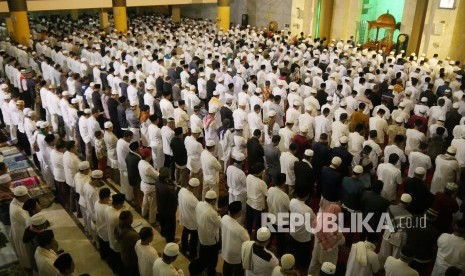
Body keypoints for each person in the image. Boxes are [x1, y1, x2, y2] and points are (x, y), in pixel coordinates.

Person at [288, 187, 316, 274]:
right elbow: (314, 221)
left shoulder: (292, 201)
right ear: (307, 196)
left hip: (292, 233)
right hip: (303, 238)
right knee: (303, 258)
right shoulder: (308, 210)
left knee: (292, 252)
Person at [196, 190, 221, 276]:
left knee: (203, 252)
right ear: (213, 200)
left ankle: (203, 268)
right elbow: (219, 223)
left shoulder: (199, 204)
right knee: (213, 257)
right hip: (211, 239)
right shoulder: (212, 213)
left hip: (201, 234)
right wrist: (219, 216)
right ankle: (211, 272)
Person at [221, 201, 250, 276]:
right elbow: (247, 241)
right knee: (238, 271)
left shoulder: (224, 217)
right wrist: (246, 232)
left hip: (225, 249)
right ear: (239, 212)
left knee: (226, 268)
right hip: (235, 255)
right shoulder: (240, 229)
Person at [10, 185, 31, 269]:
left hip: (19, 229)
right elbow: (28, 222)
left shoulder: (14, 201)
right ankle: (28, 266)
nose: (27, 197)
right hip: (21, 232)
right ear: (22, 197)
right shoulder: (17, 210)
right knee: (25, 252)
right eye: (26, 196)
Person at [178, 178, 200, 259]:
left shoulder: (182, 190)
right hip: (192, 221)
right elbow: (199, 209)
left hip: (184, 217)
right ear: (196, 187)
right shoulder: (192, 199)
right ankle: (192, 254)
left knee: (185, 233)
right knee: (194, 239)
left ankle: (184, 247)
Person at [104, 193, 126, 273]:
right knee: (118, 259)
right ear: (119, 204)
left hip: (110, 237)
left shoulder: (107, 209)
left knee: (113, 255)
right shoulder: (117, 216)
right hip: (117, 240)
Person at [156, 167, 178, 243]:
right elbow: (175, 195)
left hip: (161, 207)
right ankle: (170, 239)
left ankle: (163, 233)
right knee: (170, 225)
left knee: (163, 223)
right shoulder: (167, 189)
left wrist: (171, 183)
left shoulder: (158, 180)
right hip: (169, 209)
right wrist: (175, 188)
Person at [138, 148, 159, 225]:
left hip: (144, 184)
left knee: (145, 199)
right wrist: (158, 171)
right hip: (150, 187)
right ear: (148, 156)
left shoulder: (140, 162)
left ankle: (143, 213)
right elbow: (157, 176)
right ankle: (152, 220)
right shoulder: (148, 167)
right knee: (153, 204)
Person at [115, 210, 139, 275]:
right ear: (129, 220)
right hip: (132, 258)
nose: (133, 217)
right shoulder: (131, 235)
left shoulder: (118, 227)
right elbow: (139, 243)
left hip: (124, 254)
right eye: (131, 217)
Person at [94, 187, 111, 261]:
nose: (109, 199)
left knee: (102, 245)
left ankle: (103, 256)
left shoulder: (96, 202)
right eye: (108, 197)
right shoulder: (107, 209)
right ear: (105, 198)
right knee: (107, 247)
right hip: (106, 231)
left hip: (99, 227)